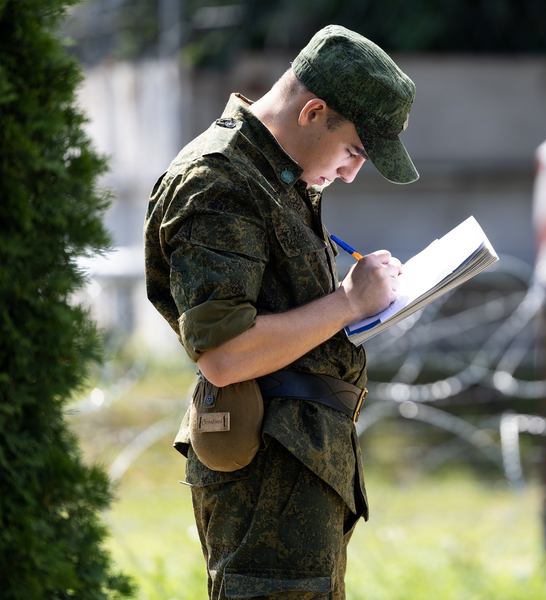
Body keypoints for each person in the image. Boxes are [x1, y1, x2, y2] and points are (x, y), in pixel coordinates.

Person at [144, 25, 417, 599]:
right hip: (267, 479)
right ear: (314, 111)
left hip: (298, 468)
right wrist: (348, 302)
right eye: (354, 151)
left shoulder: (275, 175)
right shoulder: (220, 181)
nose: (350, 172)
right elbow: (224, 353)